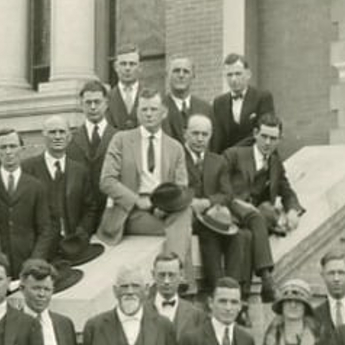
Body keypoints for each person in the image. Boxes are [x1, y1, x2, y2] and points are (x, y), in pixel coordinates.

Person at [98, 89, 194, 258]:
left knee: (184, 214)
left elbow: (181, 188)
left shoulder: (175, 147)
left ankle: (172, 269)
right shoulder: (121, 140)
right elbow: (107, 181)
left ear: (164, 113)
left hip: (164, 209)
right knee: (180, 230)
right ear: (137, 113)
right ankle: (177, 272)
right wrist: (137, 201)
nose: (149, 114)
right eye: (144, 109)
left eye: (154, 109)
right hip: (131, 211)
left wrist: (163, 206)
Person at [223, 115, 302, 302]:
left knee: (247, 237)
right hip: (232, 208)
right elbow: (219, 185)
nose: (268, 142)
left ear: (279, 139)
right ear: (255, 133)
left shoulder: (275, 163)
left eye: (273, 138)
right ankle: (266, 276)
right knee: (258, 216)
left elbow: (287, 190)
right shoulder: (234, 155)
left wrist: (292, 210)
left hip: (252, 222)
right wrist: (235, 201)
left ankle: (242, 299)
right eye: (264, 136)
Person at [180, 114, 249, 293]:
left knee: (237, 236)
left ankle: (233, 291)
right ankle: (218, 289)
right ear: (185, 134)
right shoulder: (177, 157)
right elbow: (173, 189)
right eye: (195, 133)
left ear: (210, 136)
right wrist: (191, 202)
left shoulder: (218, 161)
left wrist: (208, 202)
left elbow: (227, 194)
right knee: (209, 234)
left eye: (205, 134)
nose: (200, 139)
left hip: (213, 215)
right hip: (189, 216)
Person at [0, 129, 55, 278]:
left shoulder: (36, 187)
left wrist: (35, 261)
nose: (8, 152)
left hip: (28, 261)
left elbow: (45, 230)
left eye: (13, 146)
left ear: (21, 150)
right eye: (3, 147)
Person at [24, 116, 98, 264]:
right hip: (41, 252)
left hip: (74, 250)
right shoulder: (28, 169)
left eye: (62, 132)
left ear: (69, 136)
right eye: (52, 132)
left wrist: (81, 236)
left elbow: (90, 208)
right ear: (43, 136)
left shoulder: (80, 171)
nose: (57, 137)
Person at [67, 81, 114, 234]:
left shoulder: (119, 137)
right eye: (88, 102)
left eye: (97, 102)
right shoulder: (71, 140)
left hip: (111, 215)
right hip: (80, 219)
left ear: (106, 104)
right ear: (81, 105)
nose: (93, 107)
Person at [210, 53, 276, 154]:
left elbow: (264, 131)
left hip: (256, 158)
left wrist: (233, 152)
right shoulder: (219, 103)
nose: (234, 79)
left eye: (238, 74)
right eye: (229, 75)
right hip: (228, 163)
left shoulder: (263, 97)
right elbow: (217, 138)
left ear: (248, 74)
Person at [159, 55, 209, 141]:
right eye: (176, 71)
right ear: (167, 75)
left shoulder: (206, 109)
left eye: (186, 71)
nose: (181, 75)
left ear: (193, 76)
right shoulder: (158, 108)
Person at [106, 43, 144, 130]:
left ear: (140, 67)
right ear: (116, 67)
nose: (127, 68)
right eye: (123, 64)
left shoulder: (150, 97)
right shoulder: (107, 98)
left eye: (132, 64)